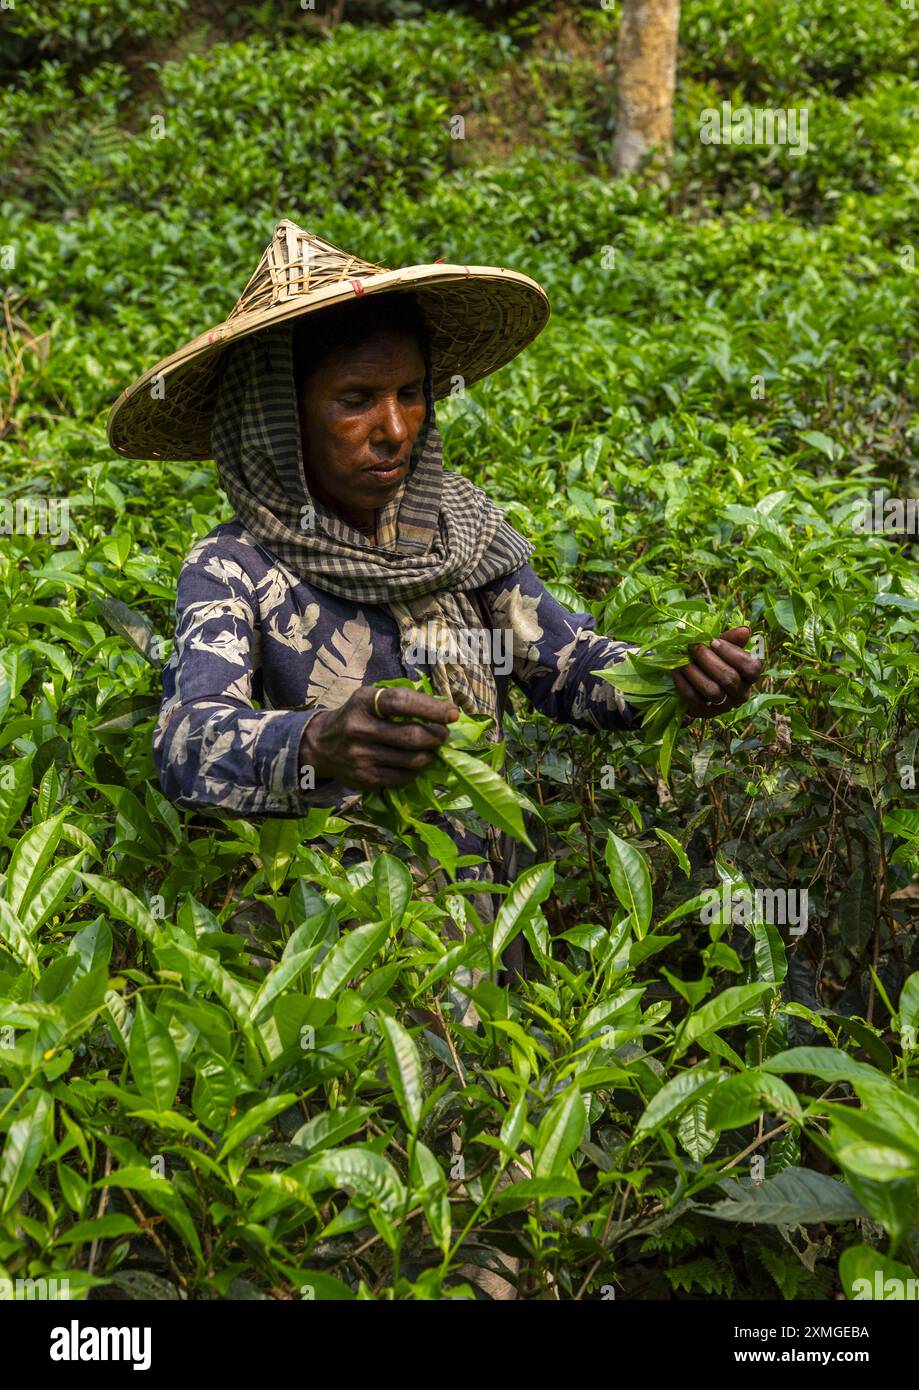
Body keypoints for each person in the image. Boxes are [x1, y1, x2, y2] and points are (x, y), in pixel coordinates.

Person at [107, 218, 763, 915]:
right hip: (341, 950)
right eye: (355, 400)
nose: (393, 430)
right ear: (281, 417)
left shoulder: (458, 531)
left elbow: (563, 665)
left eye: (411, 393)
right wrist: (315, 743)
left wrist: (671, 678)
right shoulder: (233, 566)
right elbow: (185, 742)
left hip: (491, 926)